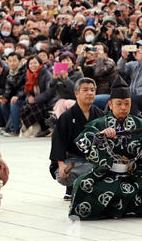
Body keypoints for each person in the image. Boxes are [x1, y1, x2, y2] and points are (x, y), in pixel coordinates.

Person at [70, 76, 142, 220]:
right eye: (119, 103)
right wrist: (100, 136)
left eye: (127, 104)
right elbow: (82, 142)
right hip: (106, 173)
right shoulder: (100, 123)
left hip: (134, 173)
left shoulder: (139, 123)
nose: (123, 107)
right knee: (83, 183)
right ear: (110, 104)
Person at [49, 78, 104, 200]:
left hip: (93, 159)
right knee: (62, 176)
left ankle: (85, 186)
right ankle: (72, 186)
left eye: (92, 90)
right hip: (73, 161)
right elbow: (58, 141)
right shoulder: (66, 117)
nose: (90, 93)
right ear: (76, 93)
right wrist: (61, 164)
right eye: (85, 90)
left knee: (103, 168)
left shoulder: (99, 114)